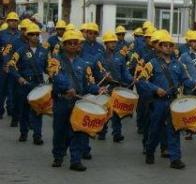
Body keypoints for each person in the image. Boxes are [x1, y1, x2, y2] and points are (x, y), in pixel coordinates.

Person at [137, 30, 195, 169]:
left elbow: (185, 80)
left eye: (170, 45)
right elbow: (141, 81)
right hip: (158, 102)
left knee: (175, 129)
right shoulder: (152, 63)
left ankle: (175, 158)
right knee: (155, 129)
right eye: (165, 45)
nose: (168, 48)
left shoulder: (179, 65)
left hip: (173, 101)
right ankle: (150, 151)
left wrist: (194, 84)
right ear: (160, 47)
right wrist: (155, 89)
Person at [49, 29, 103, 171]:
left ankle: (75, 160)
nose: (73, 45)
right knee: (60, 131)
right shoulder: (55, 60)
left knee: (78, 131)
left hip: (78, 103)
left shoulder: (84, 63)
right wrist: (67, 88)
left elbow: (89, 83)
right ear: (64, 45)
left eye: (76, 43)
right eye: (70, 43)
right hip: (61, 101)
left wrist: (97, 89)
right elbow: (55, 76)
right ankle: (58, 156)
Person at [7, 22, 48, 145]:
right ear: (28, 36)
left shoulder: (44, 51)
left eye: (37, 34)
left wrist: (53, 74)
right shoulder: (21, 50)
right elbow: (11, 65)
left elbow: (48, 68)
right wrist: (19, 78)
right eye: (32, 34)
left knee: (37, 111)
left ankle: (37, 136)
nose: (35, 36)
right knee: (24, 110)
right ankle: (23, 133)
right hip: (24, 83)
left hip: (38, 84)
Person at [96, 32, 134, 143]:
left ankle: (117, 134)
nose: (113, 44)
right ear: (105, 43)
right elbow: (95, 71)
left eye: (114, 42)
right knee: (105, 110)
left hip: (117, 86)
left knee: (117, 111)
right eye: (110, 42)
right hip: (105, 87)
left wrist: (132, 79)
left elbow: (125, 72)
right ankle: (102, 131)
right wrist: (102, 76)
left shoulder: (120, 56)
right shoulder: (99, 56)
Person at [0, 11, 22, 121]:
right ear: (7, 22)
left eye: (15, 21)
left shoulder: (21, 35)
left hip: (16, 67)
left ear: (18, 22)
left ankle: (11, 110)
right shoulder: (2, 34)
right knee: (1, 89)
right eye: (11, 20)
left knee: (13, 90)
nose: (13, 22)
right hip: (2, 66)